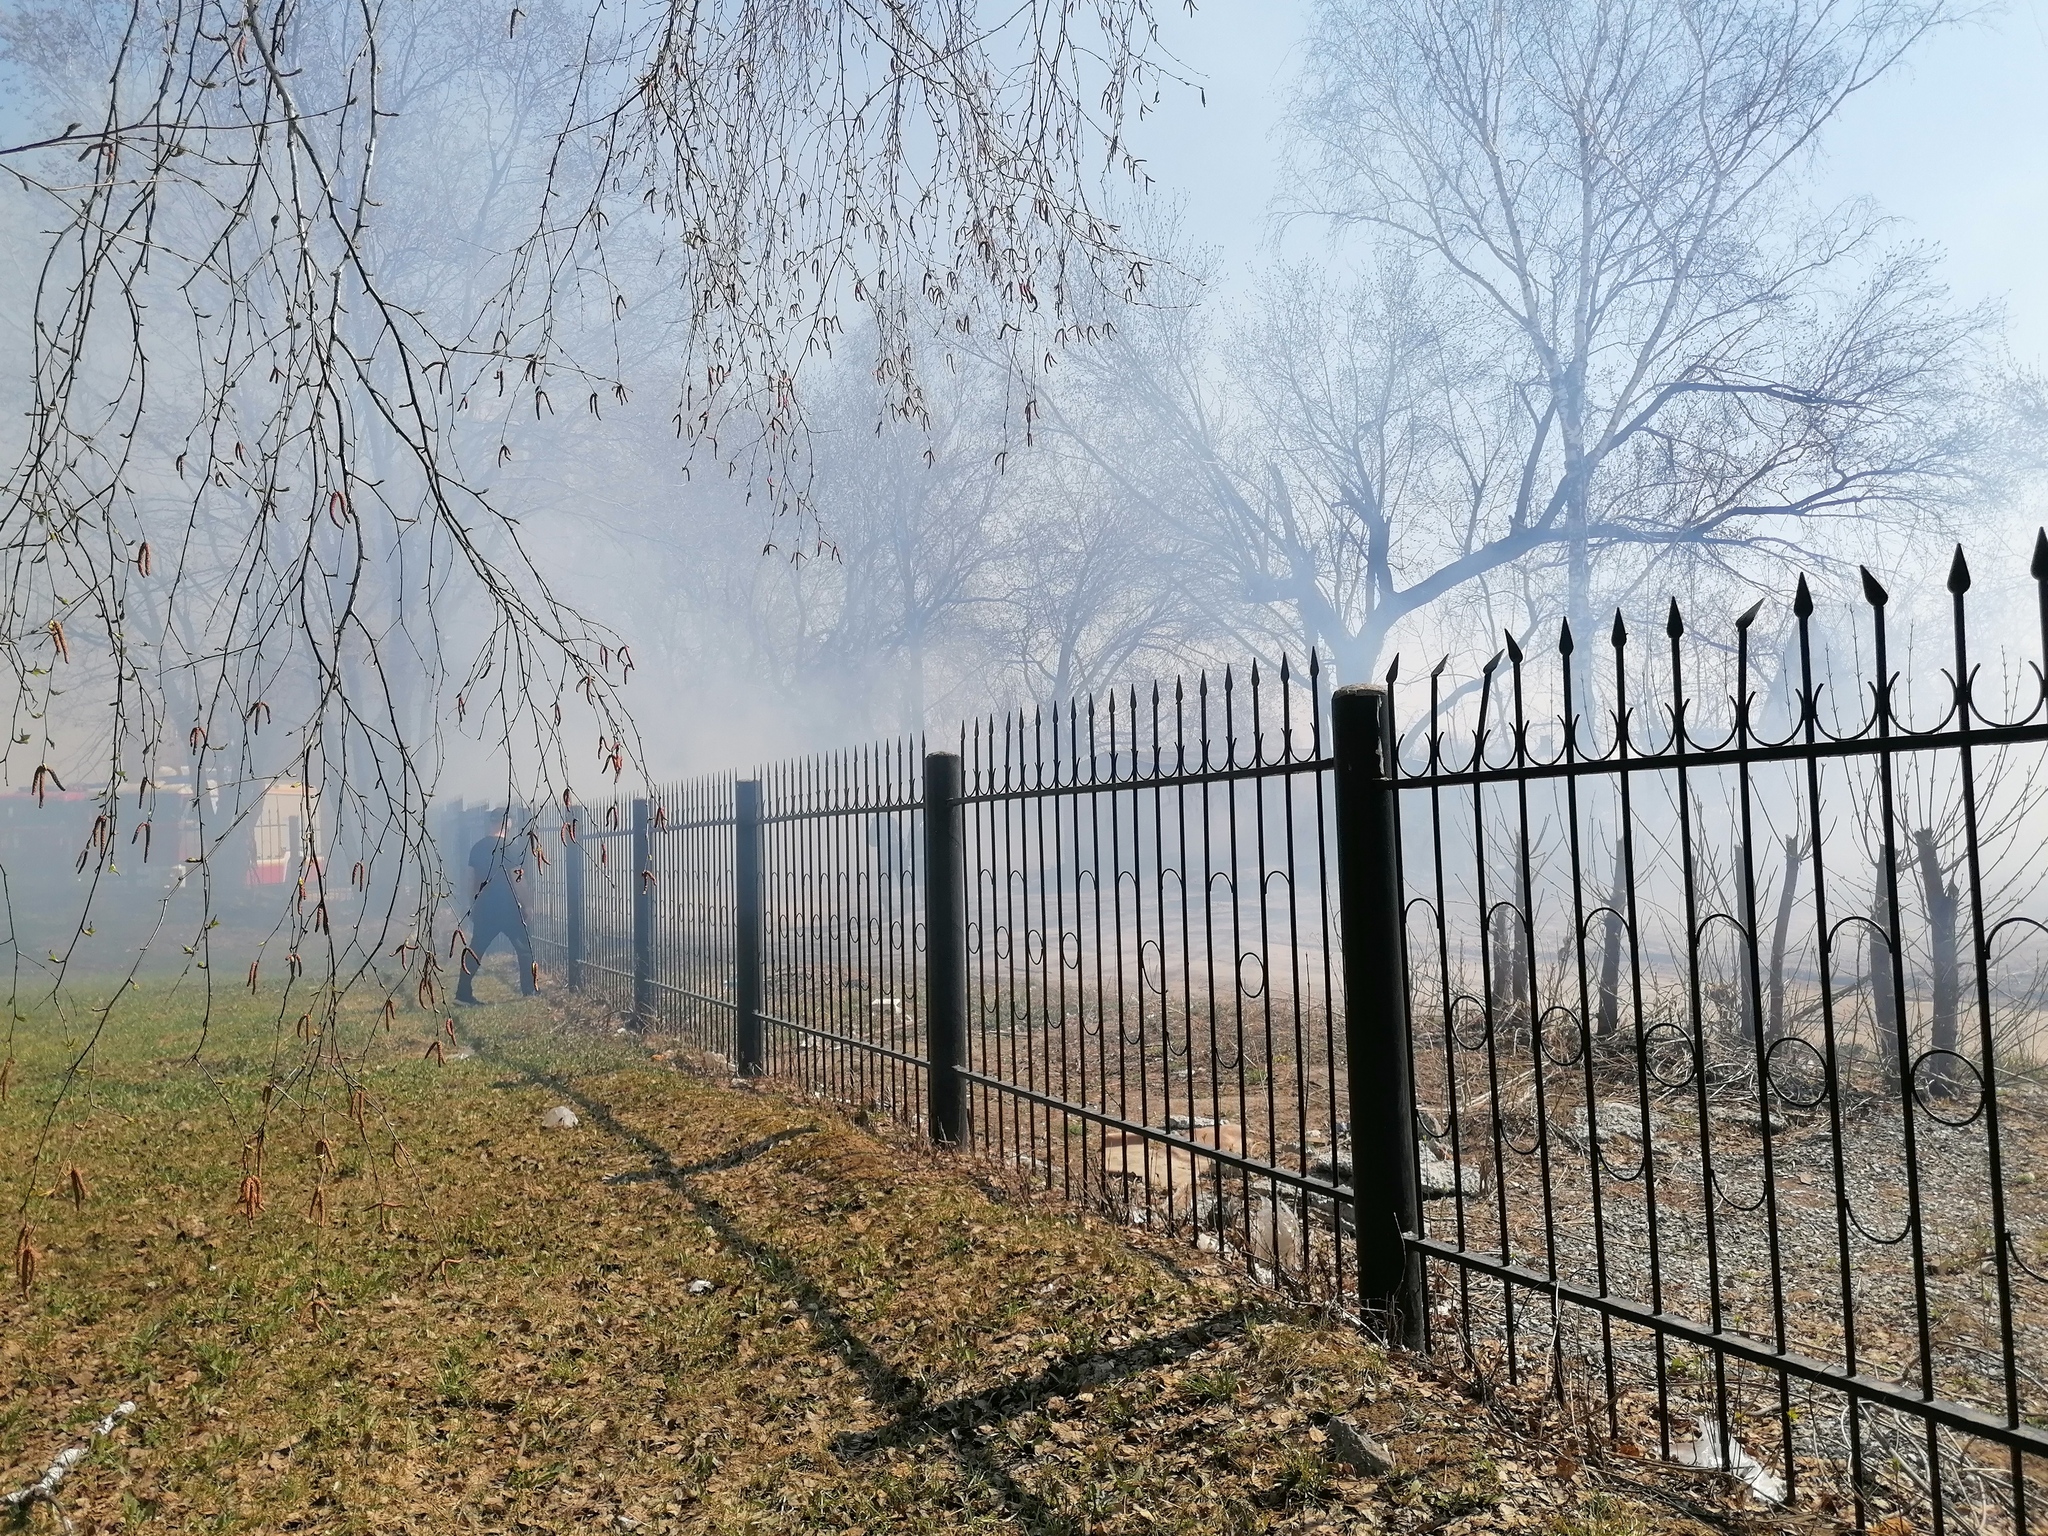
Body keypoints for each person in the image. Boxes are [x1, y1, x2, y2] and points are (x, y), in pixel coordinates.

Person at [455, 815, 537, 1003]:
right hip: (509, 908)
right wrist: (528, 905)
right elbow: (518, 879)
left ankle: (462, 994)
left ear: (489, 823)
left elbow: (471, 880)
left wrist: (473, 904)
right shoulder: (512, 847)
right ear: (507, 823)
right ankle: (529, 990)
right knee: (524, 949)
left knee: (475, 950)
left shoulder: (477, 848)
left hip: (485, 908)